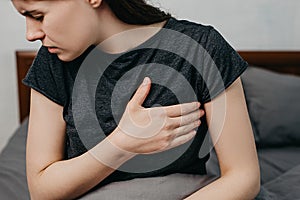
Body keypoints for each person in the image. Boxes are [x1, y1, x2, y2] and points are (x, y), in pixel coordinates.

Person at [12, 0, 260, 199]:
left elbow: (244, 178)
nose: (30, 34)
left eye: (38, 15)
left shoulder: (201, 48)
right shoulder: (52, 64)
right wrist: (123, 143)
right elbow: (41, 191)